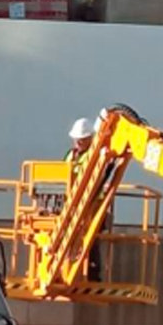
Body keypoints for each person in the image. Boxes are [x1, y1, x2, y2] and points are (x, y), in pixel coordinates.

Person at [64, 117, 103, 282]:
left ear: (90, 139)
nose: (79, 141)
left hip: (91, 203)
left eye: (83, 139)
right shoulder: (70, 155)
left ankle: (93, 273)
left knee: (90, 238)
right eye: (77, 138)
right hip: (71, 203)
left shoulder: (95, 155)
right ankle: (64, 269)